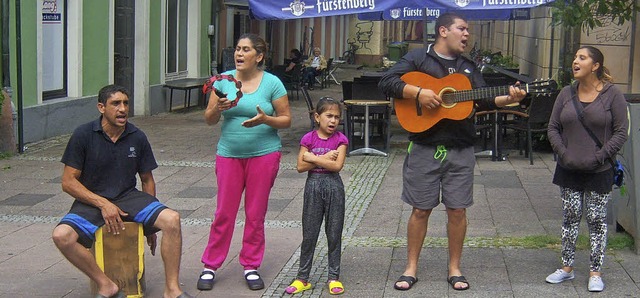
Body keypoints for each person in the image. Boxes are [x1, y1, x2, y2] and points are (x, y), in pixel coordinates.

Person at [378, 12, 527, 291]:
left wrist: (509, 98)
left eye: (468, 29)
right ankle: (410, 268)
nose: (467, 34)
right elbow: (386, 82)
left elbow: (482, 101)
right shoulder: (418, 59)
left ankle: (455, 268)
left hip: (460, 148)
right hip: (424, 146)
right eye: (462, 28)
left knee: (457, 210)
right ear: (443, 31)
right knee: (420, 209)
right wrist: (418, 93)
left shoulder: (468, 67)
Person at [51, 85, 192, 298]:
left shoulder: (137, 136)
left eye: (126, 103)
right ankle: (106, 285)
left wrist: (151, 226)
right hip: (92, 200)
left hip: (128, 197)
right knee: (61, 236)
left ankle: (172, 289)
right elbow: (68, 182)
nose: (123, 109)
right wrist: (103, 204)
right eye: (116, 103)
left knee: (172, 219)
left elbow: (147, 179)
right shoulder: (83, 134)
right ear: (101, 107)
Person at [198, 33, 291, 291]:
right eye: (238, 49)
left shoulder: (272, 83)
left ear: (258, 56)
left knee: (255, 213)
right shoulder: (224, 81)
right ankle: (210, 265)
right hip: (229, 154)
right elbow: (209, 119)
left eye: (246, 50)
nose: (239, 54)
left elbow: (286, 119)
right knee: (223, 212)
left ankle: (251, 265)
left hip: (264, 154)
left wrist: (266, 120)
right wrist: (217, 108)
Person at [545, 46, 628, 292]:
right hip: (568, 168)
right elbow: (553, 127)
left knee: (596, 220)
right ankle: (567, 268)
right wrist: (563, 153)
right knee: (570, 219)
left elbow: (621, 132)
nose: (575, 61)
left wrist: (600, 156)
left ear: (596, 66)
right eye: (575, 58)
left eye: (582, 58)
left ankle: (595, 272)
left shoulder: (612, 95)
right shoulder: (566, 93)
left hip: (598, 171)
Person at [285, 97, 348, 295]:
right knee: (310, 233)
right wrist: (323, 158)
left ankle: (333, 276)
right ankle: (302, 278)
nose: (333, 121)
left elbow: (337, 166)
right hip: (312, 188)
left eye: (337, 117)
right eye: (329, 116)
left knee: (334, 233)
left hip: (334, 188)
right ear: (317, 117)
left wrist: (312, 157)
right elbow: (300, 166)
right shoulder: (308, 139)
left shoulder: (340, 140)